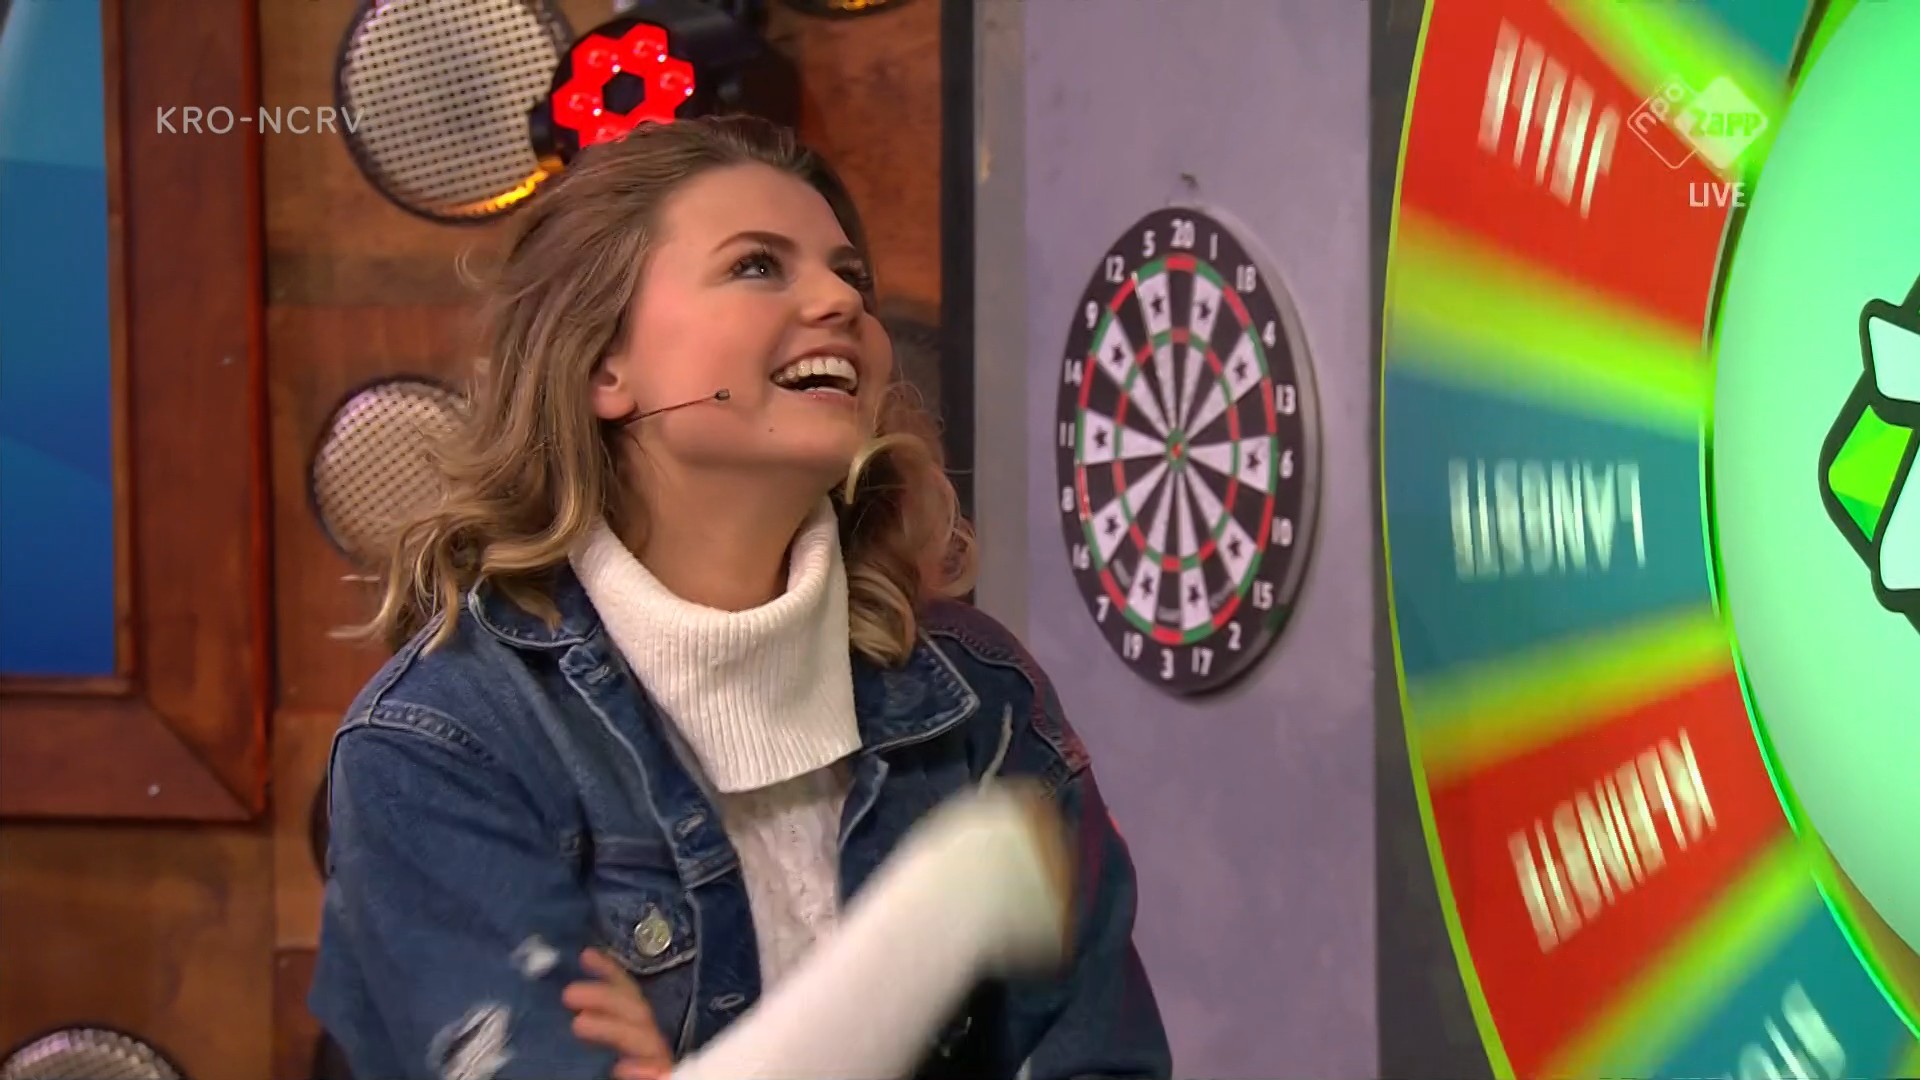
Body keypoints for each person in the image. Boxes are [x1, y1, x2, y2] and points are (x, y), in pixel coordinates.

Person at [308, 114, 1171, 1080]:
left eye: (851, 277)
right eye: (758, 265)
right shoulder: (442, 743)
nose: (841, 301)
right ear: (603, 366)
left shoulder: (981, 696)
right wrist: (933, 924)